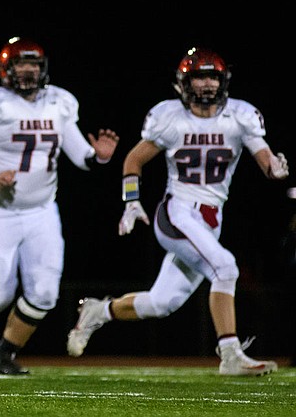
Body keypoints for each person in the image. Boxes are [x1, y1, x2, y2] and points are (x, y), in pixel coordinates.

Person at [66, 47, 288, 376]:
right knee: (225, 267)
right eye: (199, 77)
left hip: (211, 219)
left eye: (212, 76)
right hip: (177, 212)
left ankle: (100, 311)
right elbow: (133, 160)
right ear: (184, 83)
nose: (207, 84)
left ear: (223, 81)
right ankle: (230, 353)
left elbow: (265, 158)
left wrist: (275, 167)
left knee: (160, 303)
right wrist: (131, 200)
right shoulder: (170, 116)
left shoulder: (240, 116)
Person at [0, 37, 119, 374]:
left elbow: (80, 155)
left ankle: (5, 355)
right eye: (21, 65)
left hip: (42, 210)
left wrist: (98, 156)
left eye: (34, 65)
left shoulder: (59, 103)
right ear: (6, 70)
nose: (28, 72)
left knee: (44, 294)